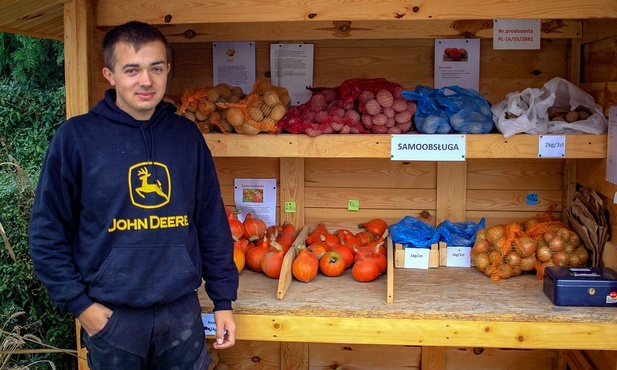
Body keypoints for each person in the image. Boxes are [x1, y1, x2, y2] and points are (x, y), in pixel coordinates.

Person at [28, 21, 238, 369]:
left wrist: (223, 302)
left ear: (168, 69)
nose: (146, 81)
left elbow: (211, 222)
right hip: (113, 321)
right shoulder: (76, 139)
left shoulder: (186, 137)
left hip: (181, 315)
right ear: (109, 74)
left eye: (156, 68)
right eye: (132, 70)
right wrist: (83, 308)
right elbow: (47, 233)